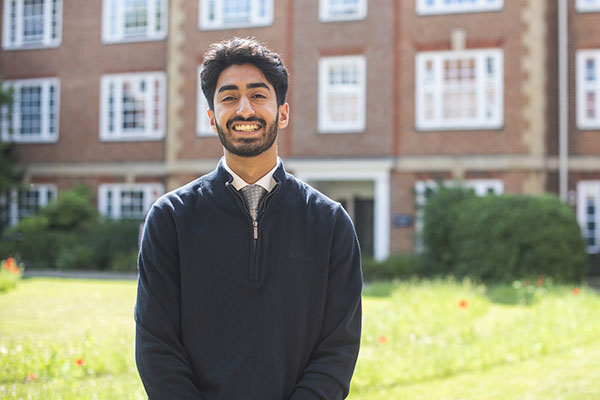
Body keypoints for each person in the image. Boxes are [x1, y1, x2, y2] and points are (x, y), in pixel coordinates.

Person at [134, 37, 362, 400]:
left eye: (258, 95)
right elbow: (156, 346)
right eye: (228, 97)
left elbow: (338, 350)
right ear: (211, 118)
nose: (244, 110)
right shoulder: (170, 219)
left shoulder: (330, 223)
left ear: (282, 113)